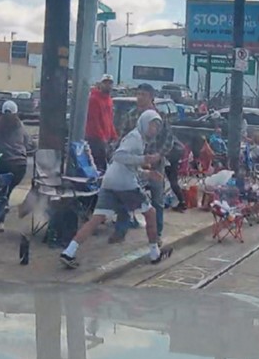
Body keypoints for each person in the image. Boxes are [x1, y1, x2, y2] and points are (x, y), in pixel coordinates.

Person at [60, 109, 172, 268]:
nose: (154, 130)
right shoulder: (135, 138)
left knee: (96, 218)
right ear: (144, 123)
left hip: (110, 181)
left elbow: (125, 165)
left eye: (156, 127)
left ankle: (69, 252)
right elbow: (119, 156)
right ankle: (155, 253)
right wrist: (144, 159)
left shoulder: (138, 138)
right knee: (151, 213)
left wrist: (146, 173)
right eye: (152, 125)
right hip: (125, 184)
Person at [112, 83, 175, 244]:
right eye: (138, 94)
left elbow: (169, 140)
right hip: (135, 163)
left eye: (144, 95)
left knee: (157, 200)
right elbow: (122, 138)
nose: (140, 98)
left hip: (155, 162)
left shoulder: (160, 116)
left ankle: (157, 235)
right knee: (126, 196)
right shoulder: (131, 115)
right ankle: (120, 231)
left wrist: (158, 155)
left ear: (151, 97)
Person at [0, 100, 35, 196]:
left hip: (1, 164)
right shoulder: (20, 126)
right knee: (7, 189)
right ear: (16, 112)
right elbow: (28, 144)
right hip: (20, 166)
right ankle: (4, 199)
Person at [85, 74, 118, 174]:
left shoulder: (109, 100)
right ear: (100, 84)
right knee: (99, 165)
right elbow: (94, 120)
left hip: (104, 139)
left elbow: (109, 120)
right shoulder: (94, 99)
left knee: (106, 165)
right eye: (105, 83)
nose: (108, 85)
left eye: (110, 83)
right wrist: (102, 138)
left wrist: (114, 135)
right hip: (95, 138)